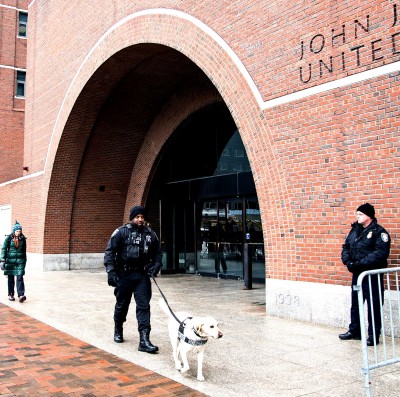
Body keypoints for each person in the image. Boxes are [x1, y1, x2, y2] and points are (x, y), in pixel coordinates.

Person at [104, 205, 163, 353]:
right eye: (137, 217)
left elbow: (158, 252)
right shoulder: (121, 232)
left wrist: (156, 265)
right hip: (124, 276)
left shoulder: (150, 234)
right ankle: (118, 329)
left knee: (144, 306)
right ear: (132, 218)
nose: (140, 219)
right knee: (122, 305)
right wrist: (111, 271)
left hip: (142, 277)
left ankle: (144, 340)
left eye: (142, 217)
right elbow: (110, 252)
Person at [340, 203, 391, 346]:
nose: (357, 216)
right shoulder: (354, 230)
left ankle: (373, 336)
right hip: (357, 274)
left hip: (371, 275)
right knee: (356, 303)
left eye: (360, 214)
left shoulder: (379, 232)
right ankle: (354, 331)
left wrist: (360, 264)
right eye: (357, 214)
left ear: (369, 216)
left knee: (373, 305)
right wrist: (348, 262)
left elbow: (380, 253)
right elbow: (346, 247)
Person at [0, 221, 27, 302]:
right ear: (14, 231)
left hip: (20, 261)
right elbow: (4, 249)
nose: (18, 233)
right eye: (17, 231)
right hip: (10, 261)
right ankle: (11, 294)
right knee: (11, 278)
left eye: (20, 231)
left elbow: (24, 250)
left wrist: (24, 259)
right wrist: (2, 260)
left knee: (20, 277)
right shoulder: (8, 238)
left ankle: (21, 295)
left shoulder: (23, 238)